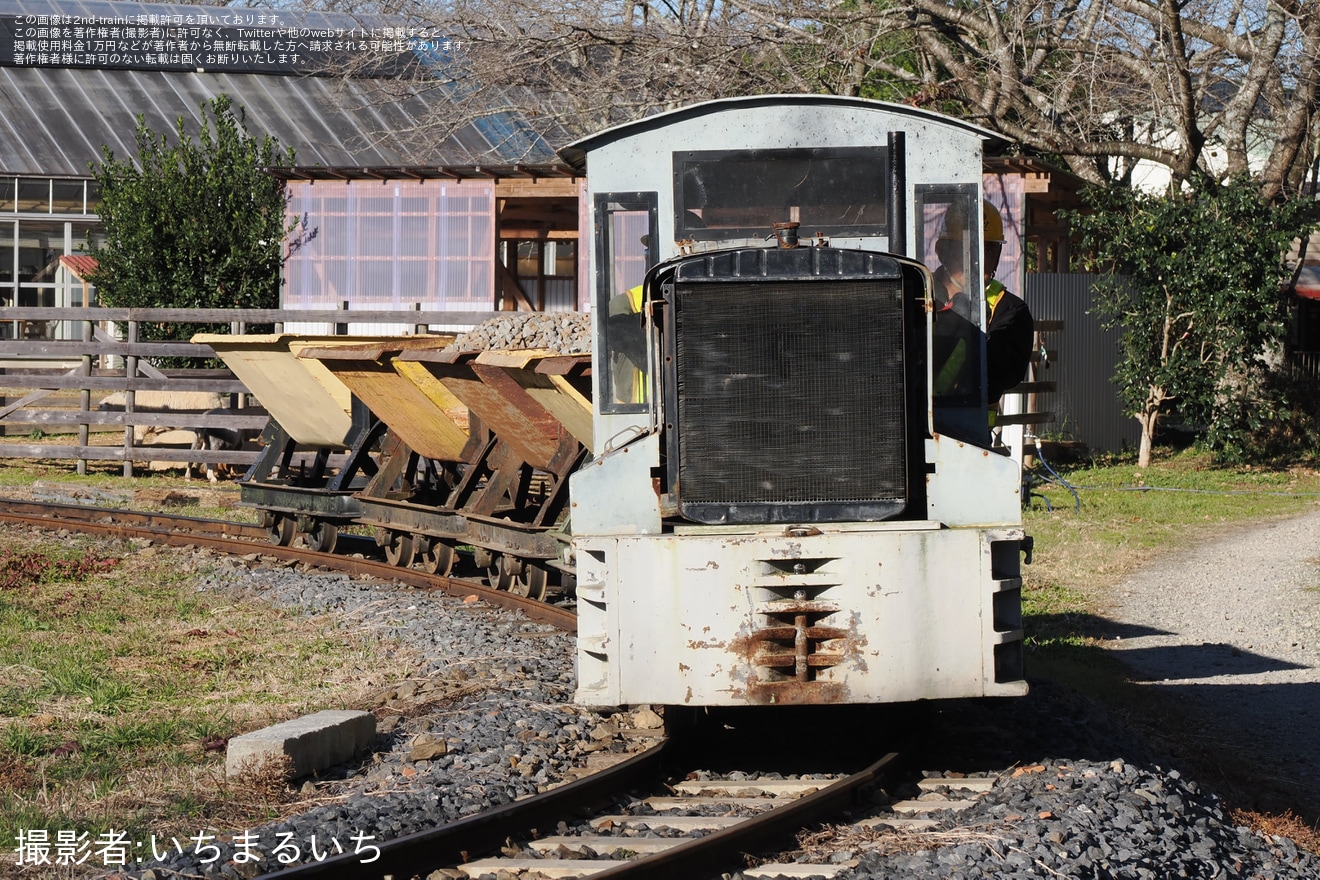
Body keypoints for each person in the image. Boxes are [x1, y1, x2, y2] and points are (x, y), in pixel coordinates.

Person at [981, 201, 1034, 407]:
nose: (981, 259)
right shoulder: (923, 295)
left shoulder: (1011, 310)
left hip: (971, 429)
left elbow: (1000, 375)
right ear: (944, 250)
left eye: (990, 249)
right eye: (970, 249)